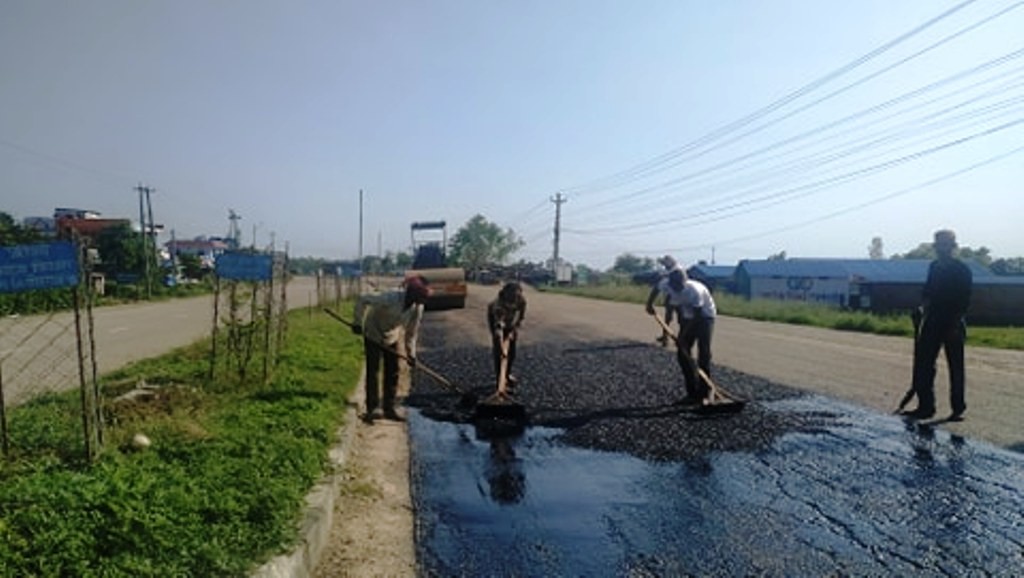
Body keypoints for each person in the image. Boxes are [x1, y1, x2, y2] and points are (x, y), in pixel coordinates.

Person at [905, 229, 973, 421]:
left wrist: (953, 323)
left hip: (953, 322)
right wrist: (920, 309)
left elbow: (965, 300)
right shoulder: (934, 267)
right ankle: (926, 406)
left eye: (946, 245)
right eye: (939, 245)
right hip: (933, 320)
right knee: (924, 364)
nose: (942, 249)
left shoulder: (961, 270)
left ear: (952, 247)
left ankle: (957, 408)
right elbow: (928, 293)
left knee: (956, 367)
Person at [352, 275, 431, 423]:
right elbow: (363, 299)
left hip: (392, 336)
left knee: (393, 370)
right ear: (411, 294)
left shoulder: (417, 309)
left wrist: (411, 354)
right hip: (373, 332)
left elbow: (411, 333)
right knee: (373, 370)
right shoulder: (390, 298)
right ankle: (373, 408)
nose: (421, 302)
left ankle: (389, 408)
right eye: (419, 298)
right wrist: (357, 322)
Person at [646, 269, 716, 403]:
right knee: (682, 354)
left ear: (685, 281)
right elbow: (656, 289)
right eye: (676, 286)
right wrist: (649, 304)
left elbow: (696, 317)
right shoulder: (666, 284)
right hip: (687, 315)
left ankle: (704, 392)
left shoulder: (694, 291)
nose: (679, 288)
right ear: (671, 284)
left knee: (704, 352)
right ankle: (692, 393)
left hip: (705, 317)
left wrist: (682, 337)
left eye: (681, 285)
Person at [487, 281, 527, 393]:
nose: (515, 297)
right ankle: (499, 379)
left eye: (517, 295)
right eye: (512, 295)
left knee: (512, 352)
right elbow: (498, 327)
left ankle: (507, 374)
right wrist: (500, 346)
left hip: (510, 323)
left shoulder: (521, 299)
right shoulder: (498, 306)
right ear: (506, 294)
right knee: (499, 352)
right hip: (496, 321)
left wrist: (514, 329)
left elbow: (521, 315)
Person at [655, 255, 685, 346]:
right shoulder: (670, 269)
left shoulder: (677, 269)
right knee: (668, 318)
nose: (664, 265)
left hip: (679, 296)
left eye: (665, 263)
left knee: (680, 319)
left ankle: (680, 338)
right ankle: (665, 337)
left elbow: (667, 277)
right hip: (670, 295)